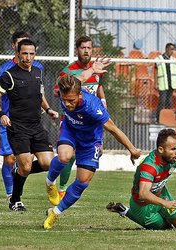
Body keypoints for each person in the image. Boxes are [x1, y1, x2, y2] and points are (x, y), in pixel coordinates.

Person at [43, 73, 141, 230]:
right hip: (70, 131)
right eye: (65, 100)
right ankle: (49, 183)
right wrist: (93, 69)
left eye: (72, 101)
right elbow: (79, 79)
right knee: (64, 157)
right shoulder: (68, 88)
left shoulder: (92, 107)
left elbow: (114, 129)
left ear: (80, 94)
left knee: (82, 182)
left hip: (90, 142)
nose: (67, 104)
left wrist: (132, 149)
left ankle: (55, 213)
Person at [0, 39, 59, 211]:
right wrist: (1, 114)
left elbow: (39, 94)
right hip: (18, 128)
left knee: (48, 164)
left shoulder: (37, 72)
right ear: (18, 53)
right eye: (25, 53)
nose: (28, 57)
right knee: (26, 166)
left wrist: (48, 109)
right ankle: (15, 200)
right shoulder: (9, 75)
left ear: (35, 54)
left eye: (31, 54)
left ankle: (17, 172)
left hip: (36, 126)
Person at [106, 128, 176, 230]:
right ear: (161, 149)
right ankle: (125, 210)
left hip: (162, 196)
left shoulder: (175, 159)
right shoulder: (150, 166)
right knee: (166, 228)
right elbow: (144, 194)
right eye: (173, 149)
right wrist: (165, 204)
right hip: (142, 205)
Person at [0, 31, 45, 201]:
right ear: (15, 48)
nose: (26, 54)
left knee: (32, 161)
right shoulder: (6, 69)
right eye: (22, 48)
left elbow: (40, 90)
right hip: (10, 120)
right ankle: (10, 193)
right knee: (10, 158)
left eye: (30, 51)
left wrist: (40, 105)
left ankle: (19, 182)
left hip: (30, 121)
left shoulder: (38, 68)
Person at [55, 35, 108, 199]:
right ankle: (62, 188)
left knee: (88, 155)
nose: (86, 51)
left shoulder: (96, 68)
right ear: (77, 50)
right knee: (68, 156)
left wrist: (103, 101)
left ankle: (69, 191)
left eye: (89, 48)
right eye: (83, 48)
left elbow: (98, 86)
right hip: (73, 119)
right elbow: (57, 91)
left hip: (91, 120)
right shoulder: (68, 71)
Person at [154, 43, 176, 123]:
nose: (172, 51)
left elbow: (175, 72)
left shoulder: (173, 59)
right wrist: (156, 82)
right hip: (163, 83)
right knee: (162, 101)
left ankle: (167, 118)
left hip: (171, 83)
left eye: (173, 49)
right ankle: (158, 119)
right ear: (166, 49)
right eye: (171, 49)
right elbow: (156, 71)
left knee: (169, 102)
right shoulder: (159, 59)